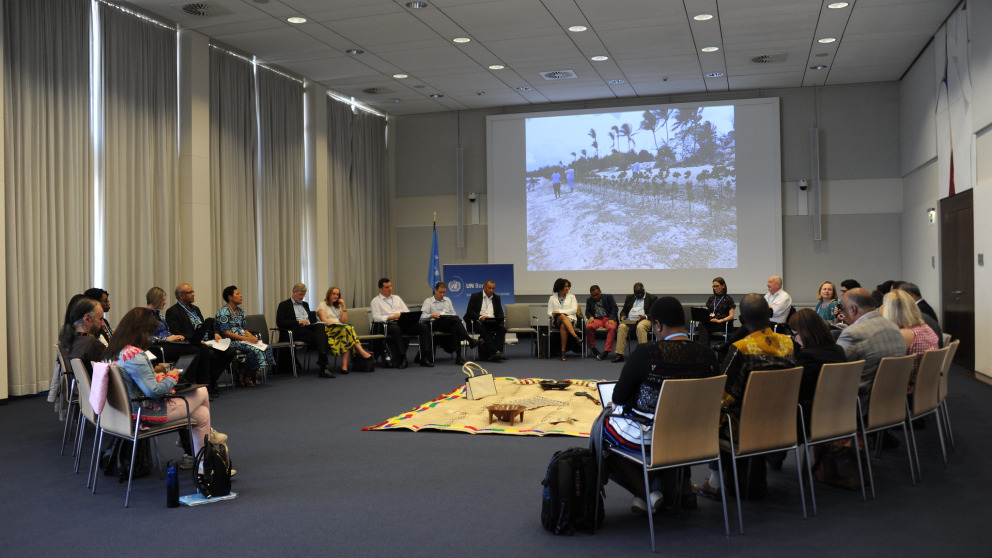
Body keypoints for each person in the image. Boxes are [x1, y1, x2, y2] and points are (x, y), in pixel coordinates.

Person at [604, 297, 720, 513]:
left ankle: (646, 493)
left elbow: (619, 397)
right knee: (677, 420)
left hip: (656, 439)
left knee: (601, 432)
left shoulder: (647, 353)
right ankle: (678, 490)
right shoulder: (708, 355)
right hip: (698, 437)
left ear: (657, 325)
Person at [696, 293, 795, 500]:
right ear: (769, 314)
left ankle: (715, 482)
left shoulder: (741, 348)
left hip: (745, 427)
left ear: (741, 321)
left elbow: (724, 394)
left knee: (713, 411)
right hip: (782, 422)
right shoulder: (789, 343)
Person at [104, 307, 226, 458]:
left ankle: (198, 459)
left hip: (123, 410)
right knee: (201, 391)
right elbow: (154, 392)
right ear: (140, 331)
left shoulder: (117, 351)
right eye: (149, 333)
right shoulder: (135, 355)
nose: (149, 338)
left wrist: (157, 376)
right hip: (145, 411)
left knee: (201, 414)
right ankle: (204, 460)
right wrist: (171, 376)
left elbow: (136, 382)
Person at [835, 288, 906, 409]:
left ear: (853, 309)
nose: (844, 313)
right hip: (894, 401)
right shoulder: (894, 327)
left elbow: (836, 372)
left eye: (844, 309)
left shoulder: (852, 333)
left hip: (861, 405)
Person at [166, 283, 237, 399]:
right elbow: (176, 333)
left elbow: (203, 327)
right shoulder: (172, 312)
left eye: (193, 291)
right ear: (181, 296)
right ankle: (207, 385)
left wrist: (214, 334)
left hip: (207, 342)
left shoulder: (196, 309)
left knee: (230, 352)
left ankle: (211, 379)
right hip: (192, 344)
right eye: (190, 292)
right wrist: (196, 339)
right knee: (210, 355)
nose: (193, 294)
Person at [788, 308, 847, 431]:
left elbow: (796, 391)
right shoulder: (839, 350)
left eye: (795, 334)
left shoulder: (808, 357)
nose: (795, 340)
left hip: (810, 418)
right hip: (839, 412)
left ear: (805, 333)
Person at [880, 290, 939, 396]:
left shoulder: (902, 335)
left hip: (906, 393)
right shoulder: (925, 327)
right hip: (927, 388)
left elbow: (887, 370)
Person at [144, 286, 203, 390]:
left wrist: (173, 336)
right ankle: (182, 381)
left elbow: (166, 331)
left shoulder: (158, 314)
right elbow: (147, 338)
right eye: (163, 300)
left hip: (166, 344)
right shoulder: (145, 316)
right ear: (156, 299)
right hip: (156, 348)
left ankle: (181, 379)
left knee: (193, 346)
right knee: (193, 350)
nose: (165, 303)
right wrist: (166, 339)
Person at [215, 285, 274, 387]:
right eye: (237, 294)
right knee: (252, 349)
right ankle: (247, 375)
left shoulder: (241, 311)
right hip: (230, 341)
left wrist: (252, 337)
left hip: (243, 339)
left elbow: (245, 329)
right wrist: (246, 339)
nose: (241, 295)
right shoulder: (223, 312)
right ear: (230, 297)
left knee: (265, 347)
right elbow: (225, 332)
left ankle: (249, 372)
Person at [316, 286, 375, 375]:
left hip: (340, 330)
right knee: (348, 329)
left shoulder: (337, 306)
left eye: (337, 294)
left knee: (347, 335)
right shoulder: (322, 305)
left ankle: (344, 367)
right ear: (329, 294)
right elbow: (324, 319)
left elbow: (344, 321)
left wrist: (343, 306)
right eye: (334, 294)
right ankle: (361, 351)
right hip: (327, 329)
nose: (336, 296)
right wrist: (338, 324)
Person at [419, 282, 479, 367]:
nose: (442, 294)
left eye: (444, 292)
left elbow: (453, 313)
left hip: (448, 322)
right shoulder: (428, 301)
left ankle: (458, 356)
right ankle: (469, 339)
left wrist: (453, 317)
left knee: (455, 326)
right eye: (440, 292)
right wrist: (431, 315)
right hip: (435, 323)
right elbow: (422, 317)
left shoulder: (447, 300)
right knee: (455, 321)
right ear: (435, 290)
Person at [276, 283, 331, 376]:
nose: (302, 297)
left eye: (303, 295)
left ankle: (323, 364)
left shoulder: (305, 304)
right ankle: (323, 366)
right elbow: (280, 323)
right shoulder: (284, 305)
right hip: (294, 331)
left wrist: (312, 321)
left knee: (320, 327)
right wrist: (298, 322)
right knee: (323, 338)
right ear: (294, 292)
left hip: (308, 328)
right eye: (300, 294)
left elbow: (310, 319)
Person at [370, 278, 410, 369]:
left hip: (400, 322)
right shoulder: (376, 301)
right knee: (397, 329)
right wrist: (389, 317)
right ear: (381, 289)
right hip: (386, 324)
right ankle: (403, 357)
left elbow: (407, 311)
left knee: (422, 327)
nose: (390, 289)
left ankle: (424, 357)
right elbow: (376, 318)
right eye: (387, 287)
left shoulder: (397, 298)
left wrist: (401, 315)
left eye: (390, 286)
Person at [462, 280, 506, 362]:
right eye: (489, 288)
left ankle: (495, 353)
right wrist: (480, 317)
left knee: (502, 329)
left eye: (493, 288)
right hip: (479, 322)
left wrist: (500, 320)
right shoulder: (475, 296)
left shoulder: (496, 298)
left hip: (492, 322)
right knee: (483, 329)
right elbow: (469, 311)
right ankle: (495, 351)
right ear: (484, 287)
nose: (491, 290)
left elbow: (500, 312)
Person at [612, 283, 657, 363]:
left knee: (640, 327)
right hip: (630, 320)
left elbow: (654, 313)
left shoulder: (652, 298)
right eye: (636, 293)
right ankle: (619, 354)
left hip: (644, 319)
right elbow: (624, 311)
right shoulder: (630, 297)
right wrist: (622, 316)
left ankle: (643, 355)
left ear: (643, 290)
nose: (638, 295)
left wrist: (644, 316)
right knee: (622, 327)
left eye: (640, 293)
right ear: (634, 292)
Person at [60, 296, 106, 363]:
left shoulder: (68, 342)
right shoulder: (92, 344)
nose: (103, 324)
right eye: (100, 319)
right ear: (87, 319)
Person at [548, 278, 579, 361]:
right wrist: (554, 314)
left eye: (568, 286)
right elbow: (549, 312)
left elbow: (574, 310)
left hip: (571, 320)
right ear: (559, 287)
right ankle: (575, 336)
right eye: (565, 287)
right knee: (561, 317)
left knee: (563, 326)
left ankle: (563, 352)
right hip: (556, 321)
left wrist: (560, 312)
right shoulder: (552, 298)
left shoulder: (572, 297)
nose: (567, 288)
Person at [584, 285, 618, 360]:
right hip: (597, 319)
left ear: (600, 292)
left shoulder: (608, 297)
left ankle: (606, 351)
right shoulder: (589, 300)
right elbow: (587, 311)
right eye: (593, 295)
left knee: (612, 328)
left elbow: (614, 308)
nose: (595, 297)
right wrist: (590, 316)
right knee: (588, 327)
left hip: (608, 318)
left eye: (597, 294)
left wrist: (612, 318)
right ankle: (593, 348)